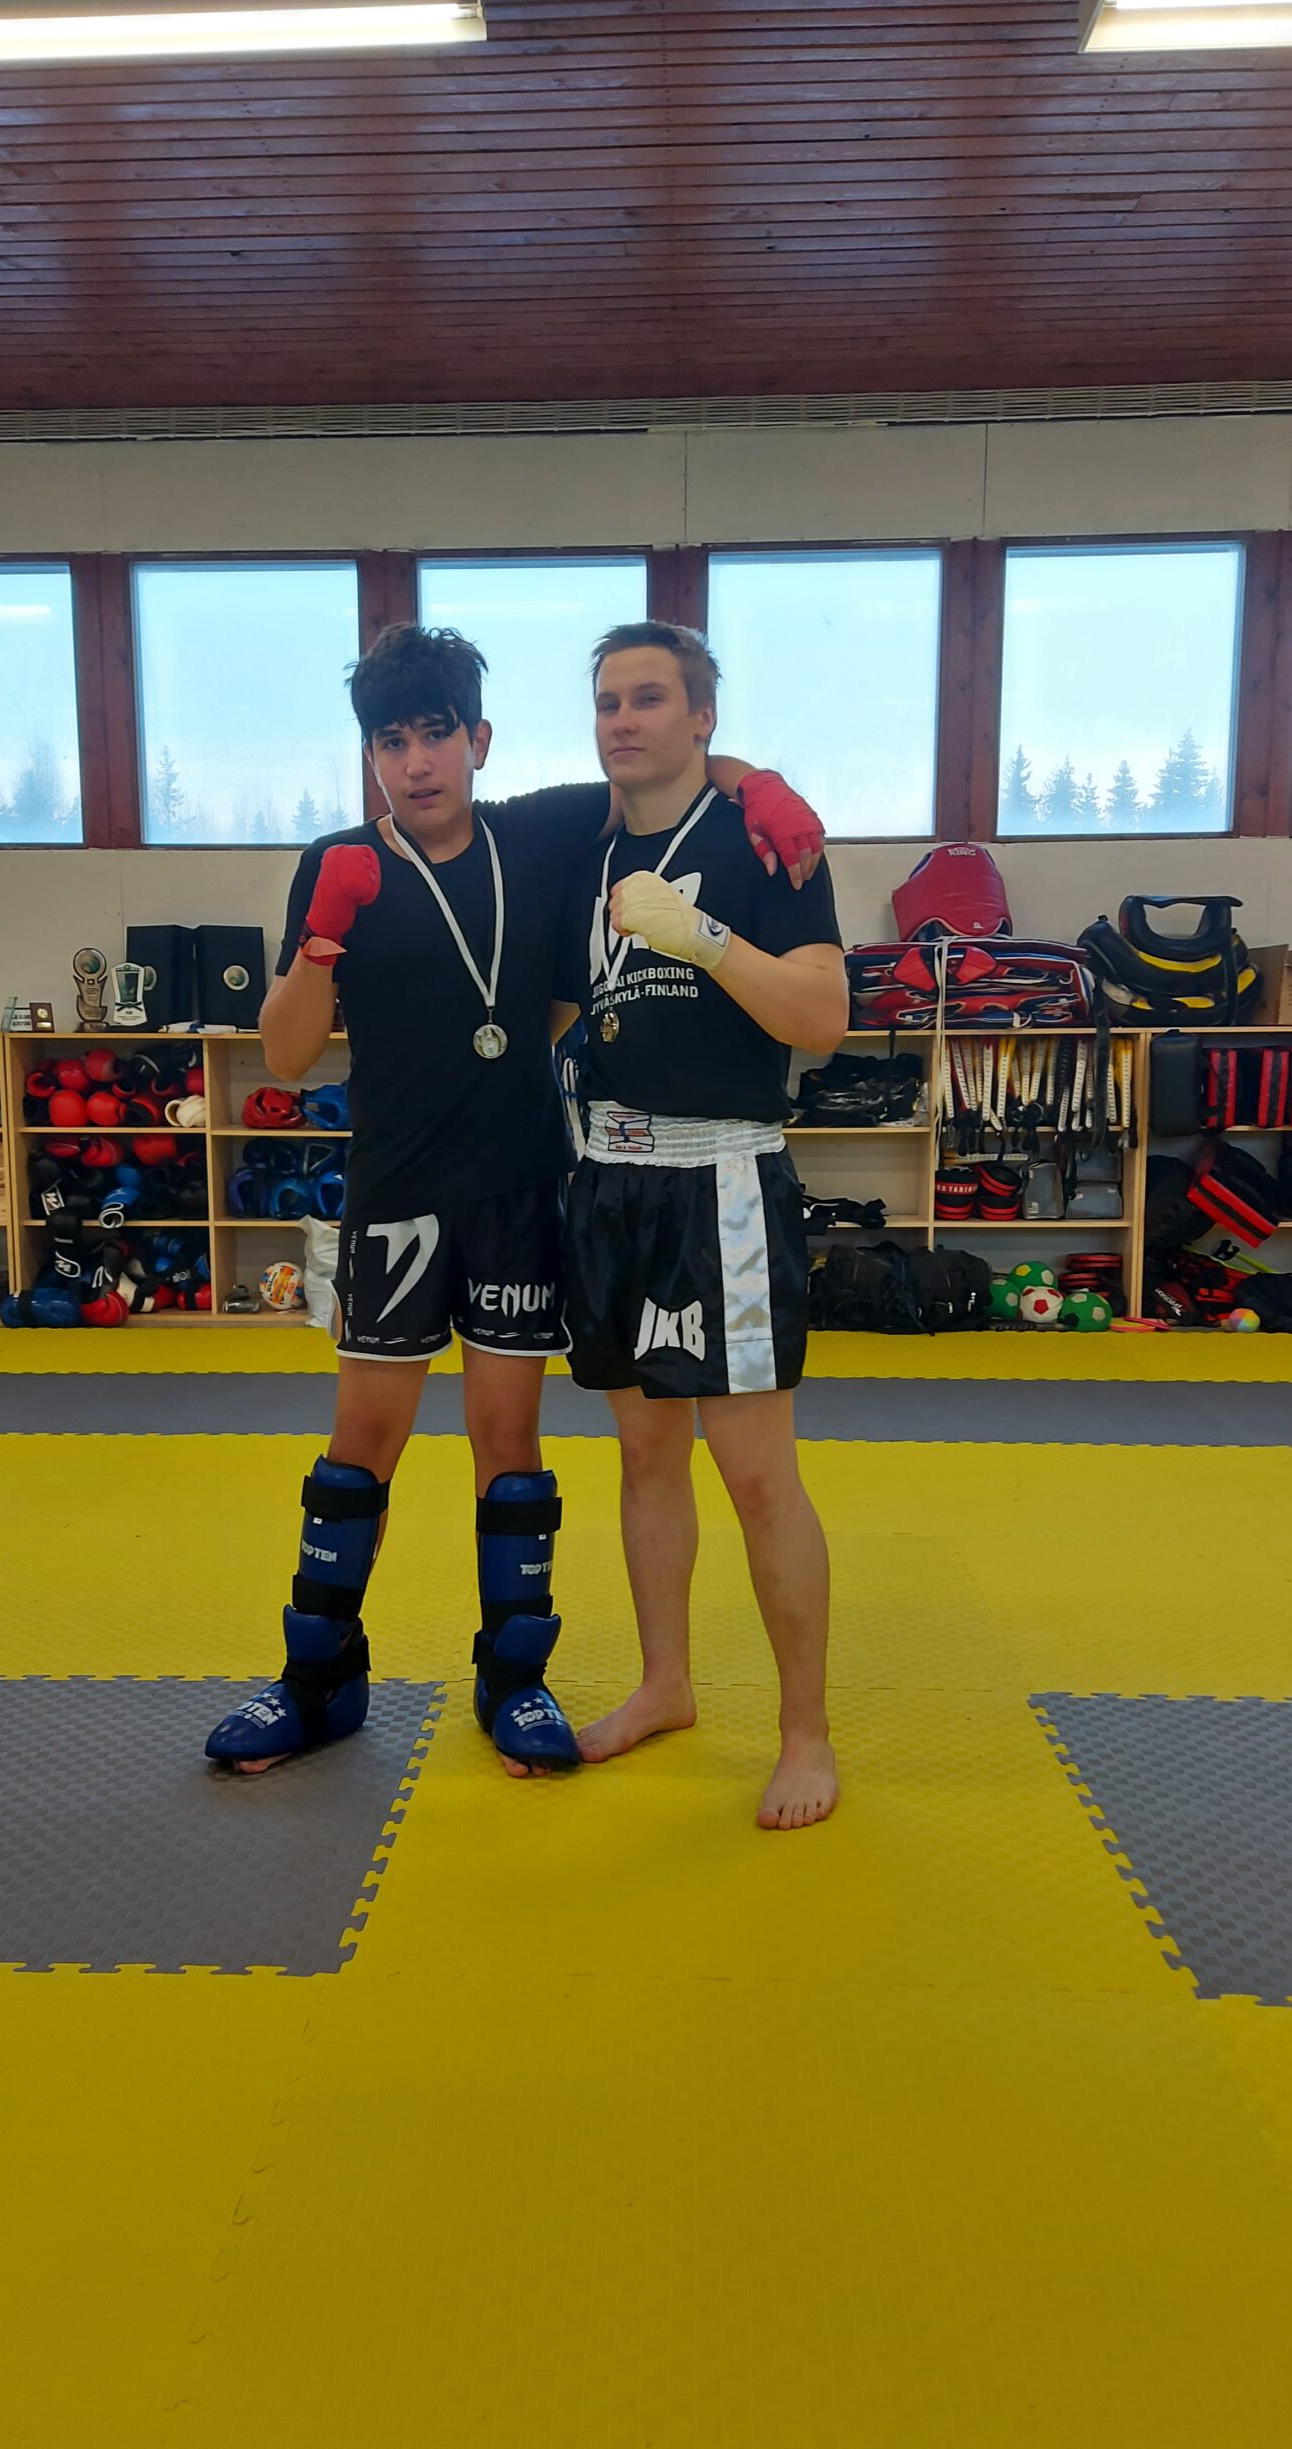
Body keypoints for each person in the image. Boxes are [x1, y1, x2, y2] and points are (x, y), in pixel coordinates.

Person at [203, 623, 824, 1783]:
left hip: (521, 1186)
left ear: (477, 739)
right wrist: (321, 938)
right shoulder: (338, 860)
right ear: (369, 754)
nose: (415, 761)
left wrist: (766, 784)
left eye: (435, 733)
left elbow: (665, 769)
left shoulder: (535, 834)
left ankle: (512, 1679)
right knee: (359, 1447)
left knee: (508, 1443)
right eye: (390, 741)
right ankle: (316, 1681)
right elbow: (284, 1055)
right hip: (392, 1192)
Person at [555, 621, 848, 1830]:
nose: (622, 720)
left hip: (720, 1183)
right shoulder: (577, 841)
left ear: (700, 717)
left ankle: (804, 1733)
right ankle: (664, 1683)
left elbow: (821, 1015)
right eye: (607, 701)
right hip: (606, 1184)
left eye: (648, 698)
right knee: (643, 1455)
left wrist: (705, 937)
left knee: (756, 1475)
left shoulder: (760, 837)